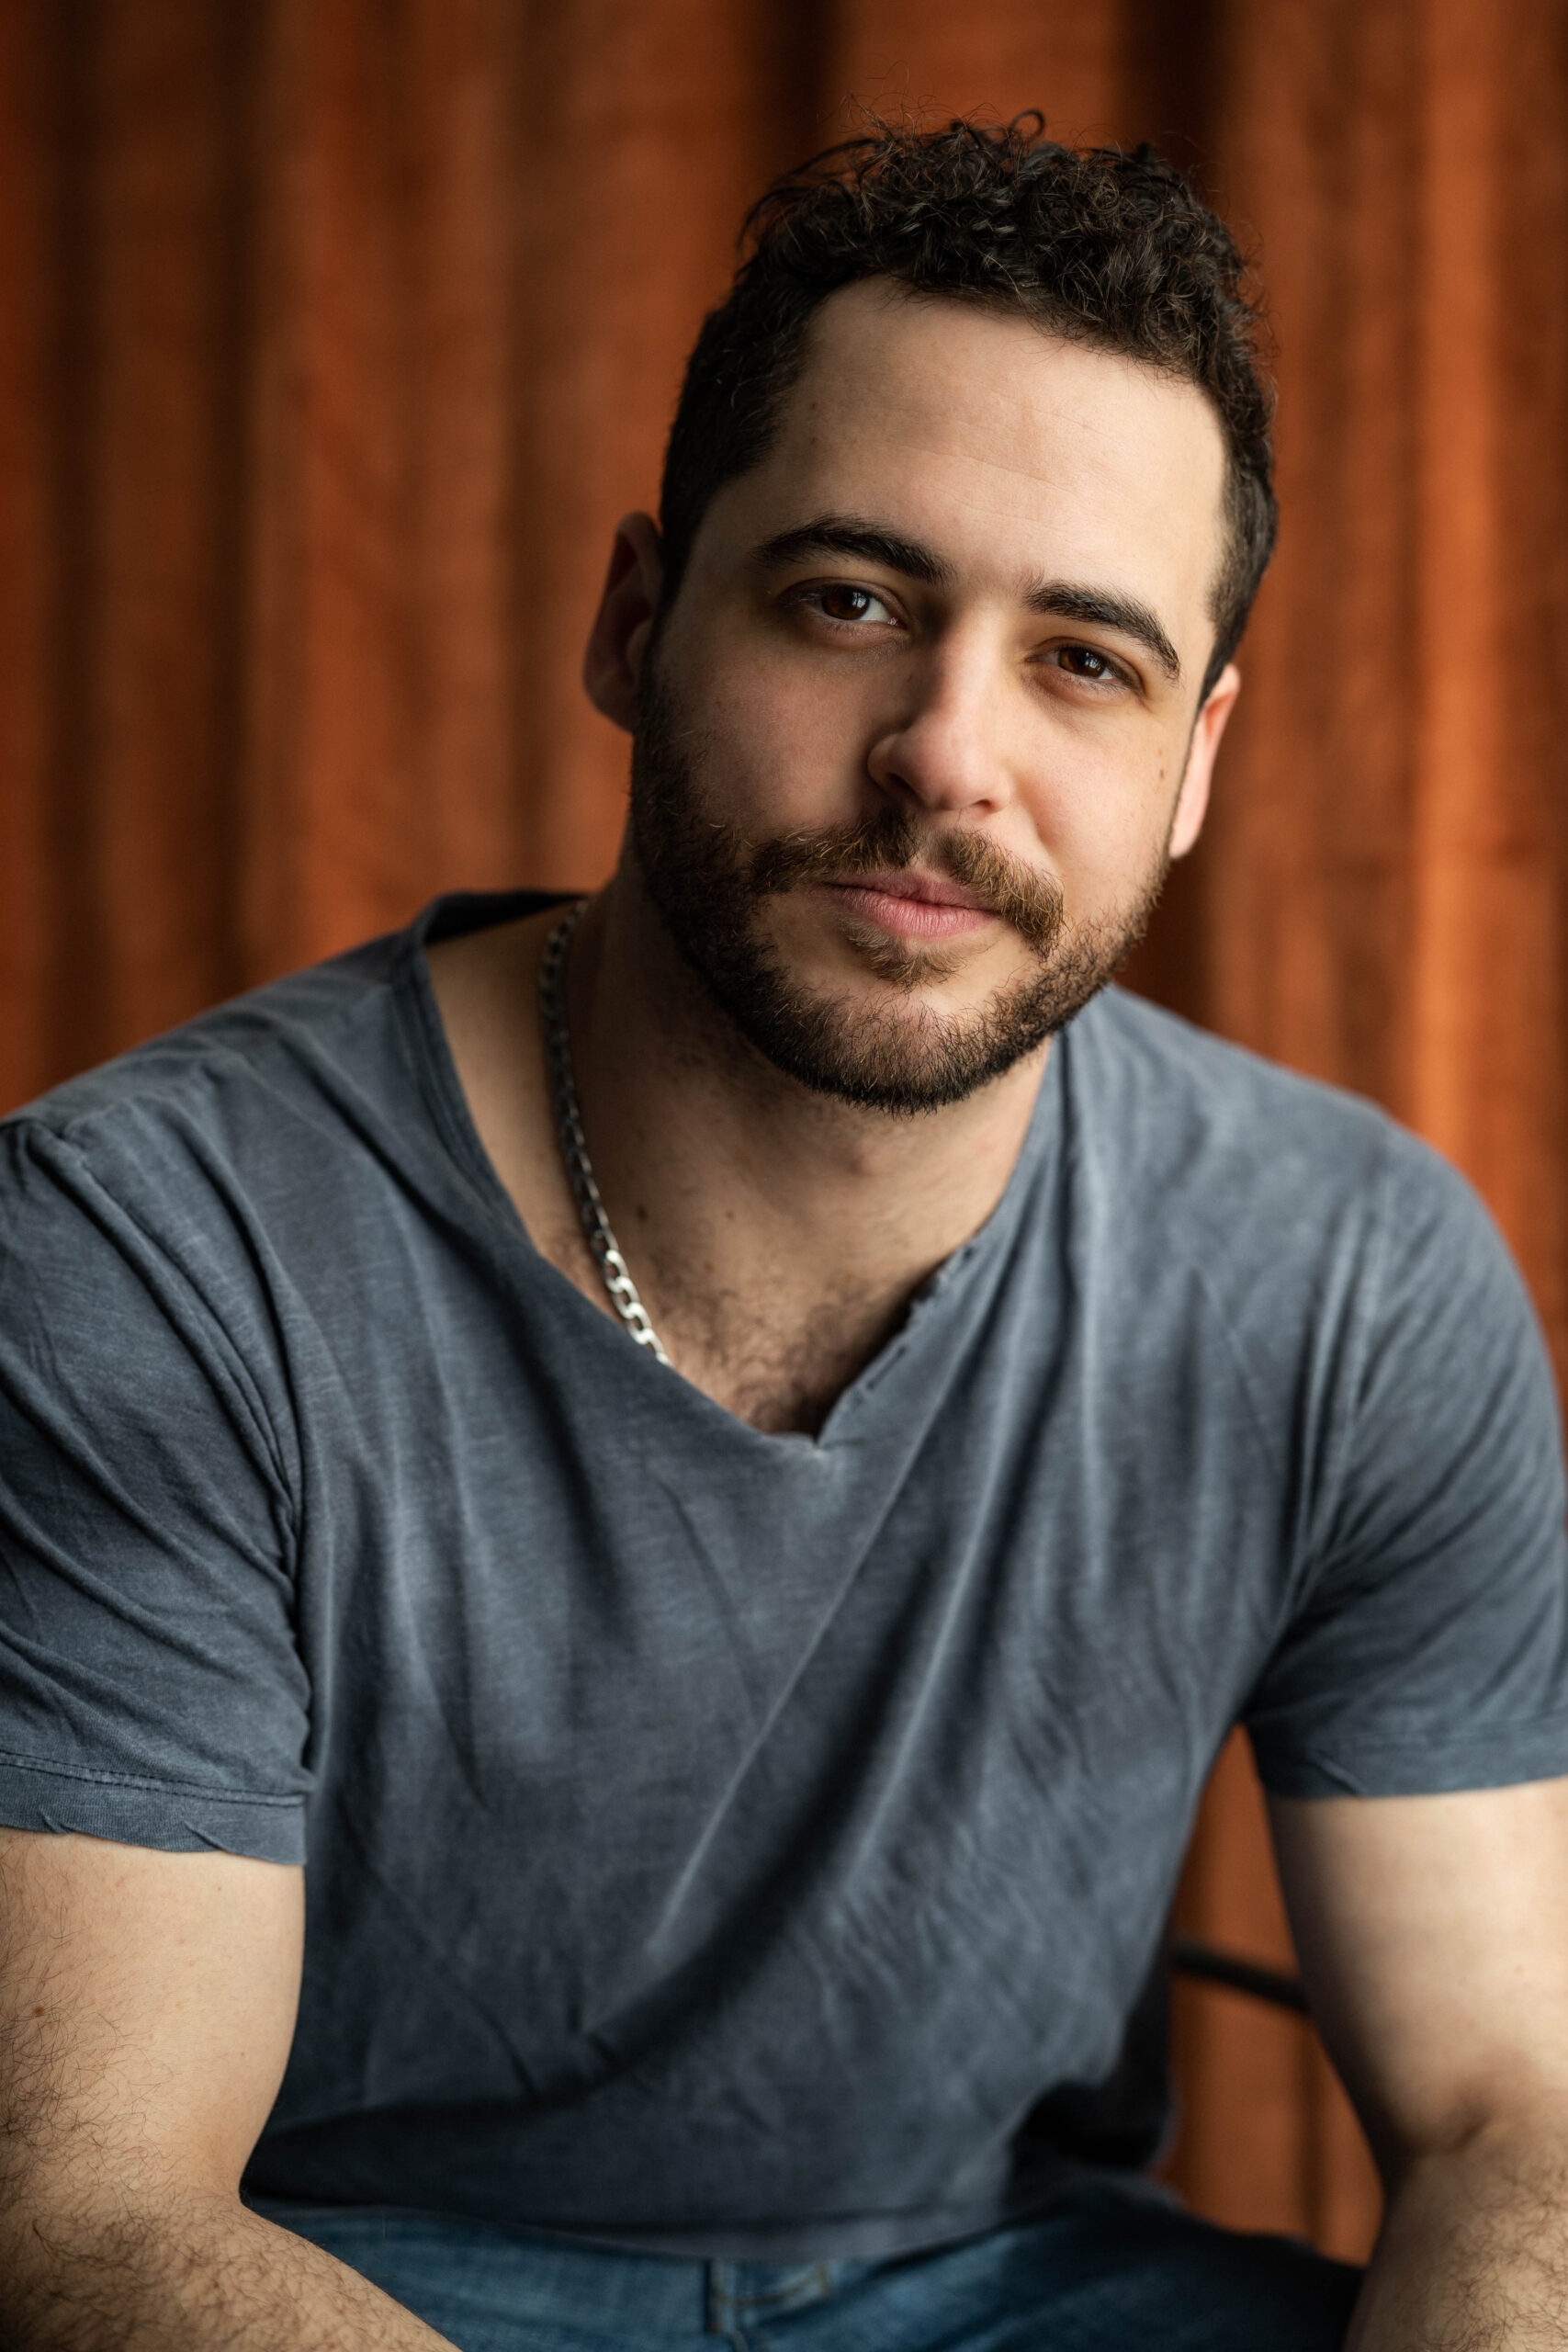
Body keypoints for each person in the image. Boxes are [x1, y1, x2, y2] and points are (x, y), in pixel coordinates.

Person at [3, 114, 1568, 2352]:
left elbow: (1513, 2107)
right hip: (347, 2278)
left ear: (1194, 762)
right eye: (851, 601)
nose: (946, 754)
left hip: (1012, 2289)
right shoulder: (148, 1248)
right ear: (637, 623)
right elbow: (92, 2214)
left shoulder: (1350, 1275)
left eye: (1083, 661)